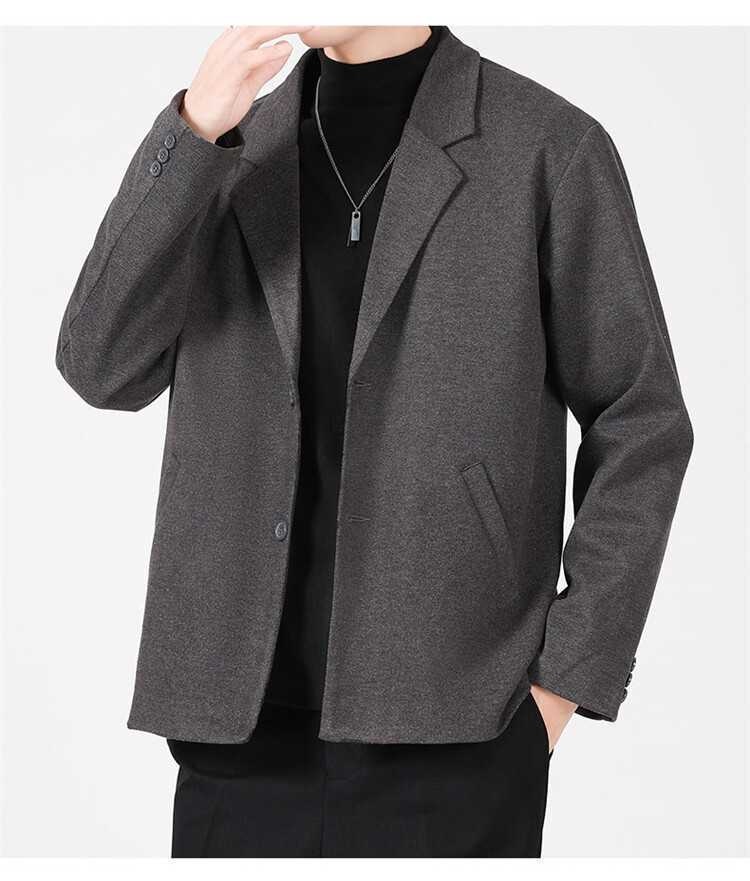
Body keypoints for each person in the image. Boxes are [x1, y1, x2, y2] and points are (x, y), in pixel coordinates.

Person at [55, 25, 693, 858]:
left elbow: (643, 418)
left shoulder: (545, 147)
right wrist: (193, 133)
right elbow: (101, 366)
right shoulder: (231, 147)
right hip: (237, 741)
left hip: (457, 735)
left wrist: (564, 683)